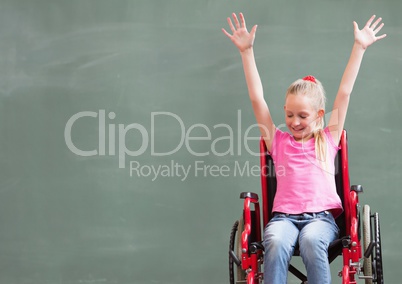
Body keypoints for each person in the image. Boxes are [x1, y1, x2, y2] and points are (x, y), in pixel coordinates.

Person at [222, 12, 386, 284]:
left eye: (303, 116)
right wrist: (247, 52)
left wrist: (359, 47)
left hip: (320, 220)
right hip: (283, 219)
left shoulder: (328, 139)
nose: (294, 122)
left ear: (319, 115)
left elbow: (344, 93)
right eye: (289, 115)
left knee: (311, 240)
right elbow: (257, 99)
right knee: (274, 240)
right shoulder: (278, 141)